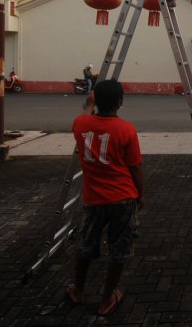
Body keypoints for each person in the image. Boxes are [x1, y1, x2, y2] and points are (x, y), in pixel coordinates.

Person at [67, 79, 144, 316]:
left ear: (95, 101)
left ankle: (78, 291)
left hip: (94, 200)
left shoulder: (80, 124)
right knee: (119, 251)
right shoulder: (126, 130)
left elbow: (85, 114)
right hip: (122, 198)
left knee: (86, 246)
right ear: (120, 102)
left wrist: (89, 104)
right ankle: (106, 298)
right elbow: (135, 167)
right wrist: (141, 195)